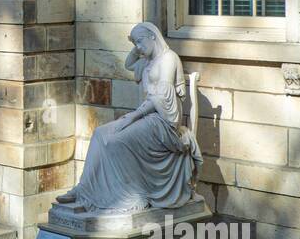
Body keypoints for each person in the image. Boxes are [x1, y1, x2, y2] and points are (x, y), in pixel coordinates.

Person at [55, 21, 201, 214]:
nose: (138, 48)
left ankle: (127, 194)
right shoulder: (148, 61)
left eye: (140, 42)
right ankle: (84, 190)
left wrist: (133, 117)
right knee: (100, 134)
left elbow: (162, 97)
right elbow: (128, 64)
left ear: (153, 36)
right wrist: (136, 45)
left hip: (163, 122)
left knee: (116, 141)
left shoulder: (169, 58)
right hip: (147, 116)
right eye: (135, 44)